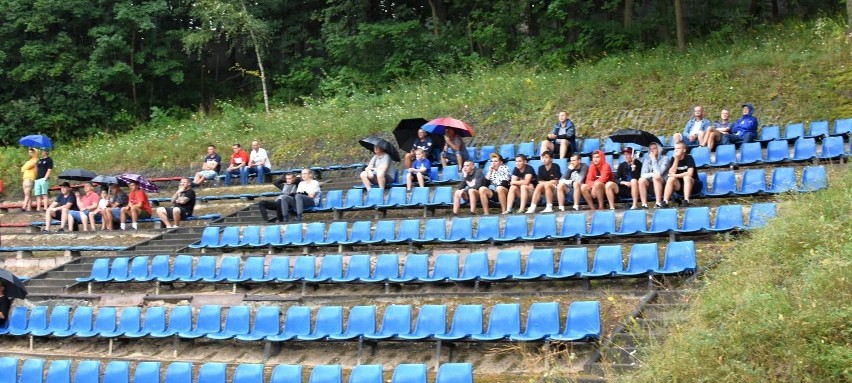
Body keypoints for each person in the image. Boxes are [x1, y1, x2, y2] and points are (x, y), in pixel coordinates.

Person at [662, 142, 703, 207]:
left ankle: (686, 200)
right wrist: (676, 160)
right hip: (680, 187)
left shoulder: (689, 157)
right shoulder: (674, 158)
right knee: (671, 179)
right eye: (675, 148)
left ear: (684, 150)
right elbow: (671, 173)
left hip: (694, 186)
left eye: (678, 148)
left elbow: (690, 173)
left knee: (686, 177)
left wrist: (675, 175)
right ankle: (665, 202)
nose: (676, 150)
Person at [638, 142, 671, 209]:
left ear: (659, 149)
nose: (652, 150)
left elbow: (659, 173)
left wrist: (653, 159)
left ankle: (658, 203)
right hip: (651, 184)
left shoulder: (665, 159)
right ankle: (644, 204)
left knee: (656, 178)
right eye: (650, 149)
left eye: (654, 148)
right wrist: (652, 174)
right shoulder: (647, 160)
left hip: (664, 184)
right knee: (641, 180)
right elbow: (642, 174)